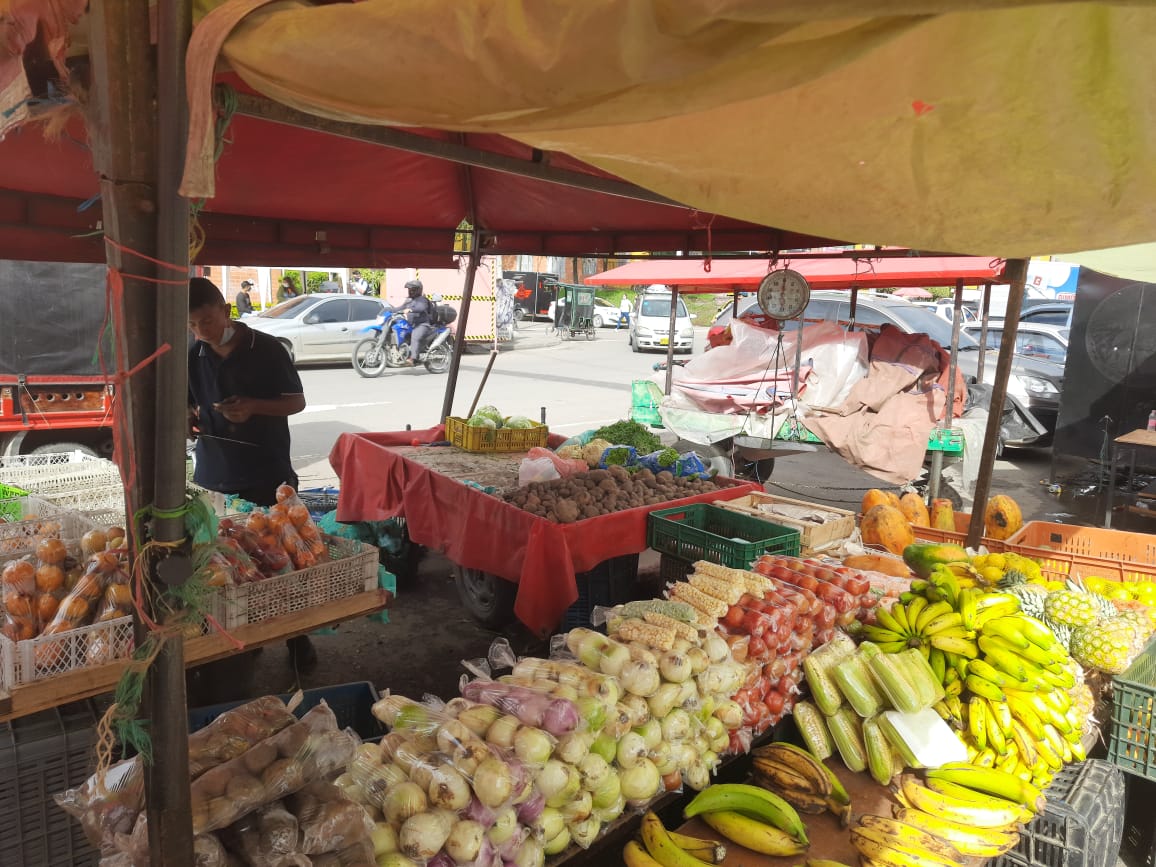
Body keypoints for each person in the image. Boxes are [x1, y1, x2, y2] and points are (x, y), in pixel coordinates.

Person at [186, 277, 317, 672]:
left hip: (266, 471)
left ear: (225, 310)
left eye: (207, 320)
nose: (202, 331)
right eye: (193, 325)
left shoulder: (267, 348)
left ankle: (298, 638)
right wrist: (188, 418)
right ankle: (244, 639)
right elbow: (187, 403)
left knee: (282, 561)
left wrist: (254, 407)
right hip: (214, 473)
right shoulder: (194, 356)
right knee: (229, 567)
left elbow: (297, 401)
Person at [395, 279, 433, 366]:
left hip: (422, 325)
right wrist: (389, 310)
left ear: (417, 290)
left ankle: (413, 358)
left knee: (415, 336)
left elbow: (421, 308)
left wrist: (410, 309)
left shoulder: (422, 300)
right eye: (409, 290)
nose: (410, 291)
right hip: (411, 324)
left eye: (412, 289)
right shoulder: (409, 300)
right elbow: (400, 308)